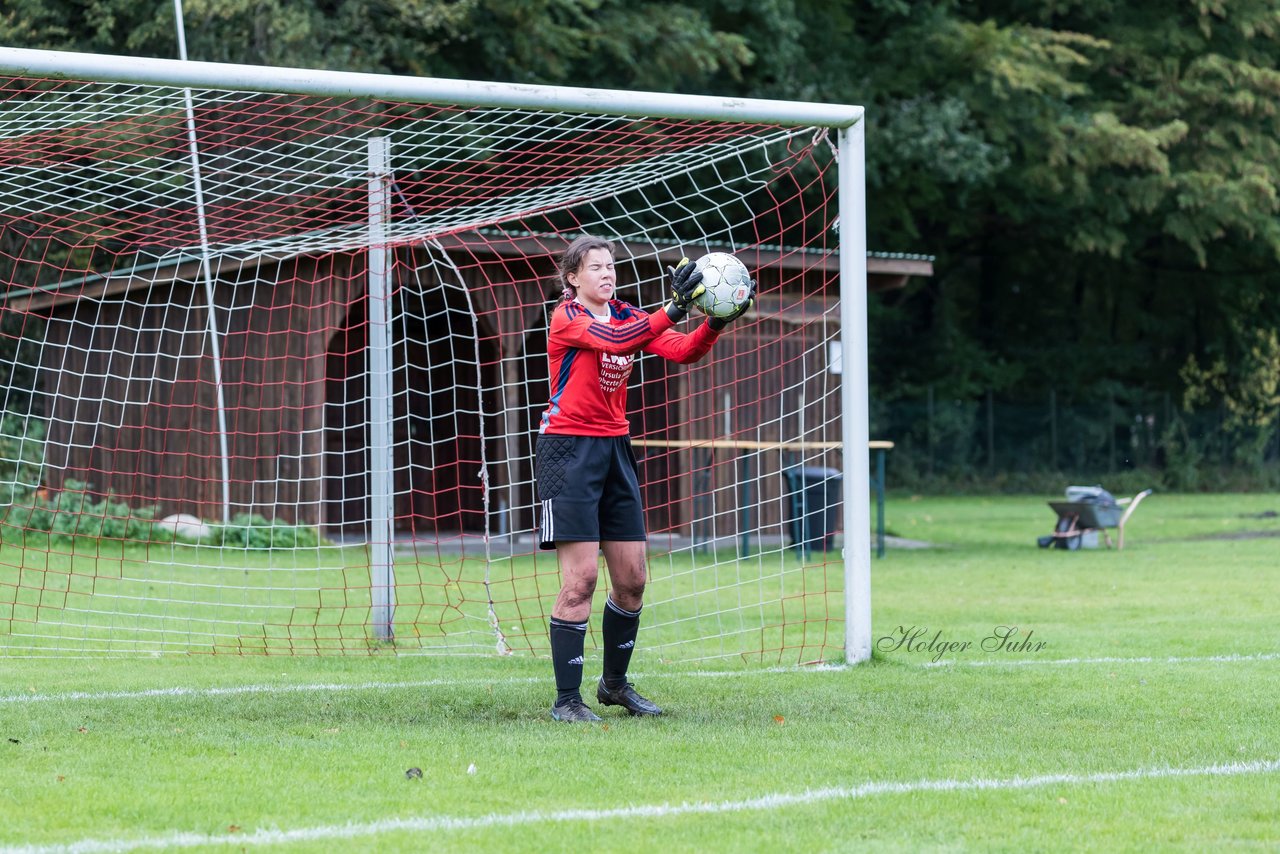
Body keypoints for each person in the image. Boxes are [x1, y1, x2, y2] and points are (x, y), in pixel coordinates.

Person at [536, 235, 754, 722]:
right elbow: (615, 343)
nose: (606, 274)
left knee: (632, 579)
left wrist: (715, 322)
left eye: (611, 266)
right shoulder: (567, 317)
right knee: (582, 580)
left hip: (615, 449)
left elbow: (682, 352)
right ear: (573, 278)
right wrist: (675, 307)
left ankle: (614, 685)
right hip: (567, 449)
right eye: (595, 268)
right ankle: (567, 701)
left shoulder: (628, 314)